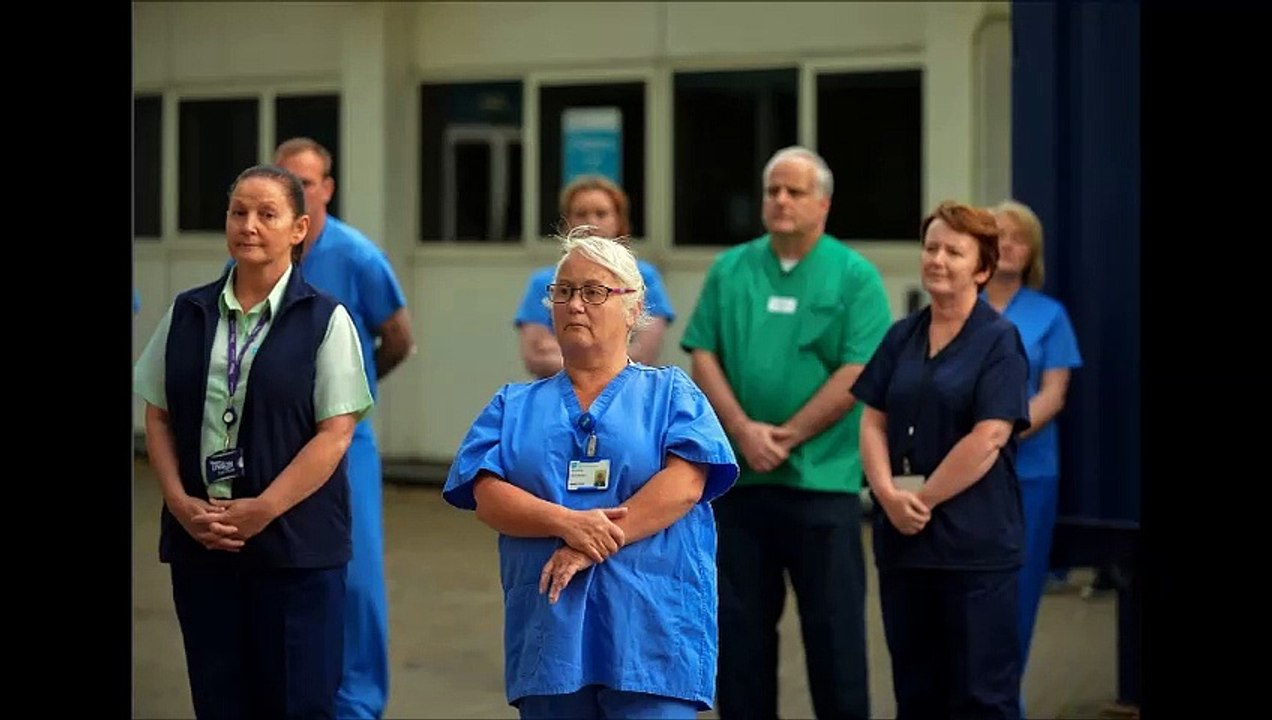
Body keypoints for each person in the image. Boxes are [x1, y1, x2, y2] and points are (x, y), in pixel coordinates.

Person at [443, 227, 739, 719]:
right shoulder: (514, 405)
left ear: (632, 307)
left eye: (594, 292)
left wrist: (591, 542)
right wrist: (566, 523)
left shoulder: (671, 395)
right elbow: (486, 496)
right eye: (563, 292)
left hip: (650, 638)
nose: (575, 304)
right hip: (551, 639)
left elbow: (687, 484)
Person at [133, 164, 374, 719]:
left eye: (268, 214)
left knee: (296, 703)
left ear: (299, 228)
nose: (249, 225)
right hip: (204, 541)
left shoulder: (325, 319)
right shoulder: (188, 313)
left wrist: (263, 509)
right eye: (239, 211)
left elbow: (335, 433)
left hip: (294, 550)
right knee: (219, 702)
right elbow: (160, 416)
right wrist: (178, 501)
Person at [680, 146, 892, 720]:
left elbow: (860, 370)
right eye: (773, 189)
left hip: (823, 485)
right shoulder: (732, 269)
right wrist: (744, 431)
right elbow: (703, 350)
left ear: (823, 203)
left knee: (836, 636)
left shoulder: (854, 277)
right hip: (741, 485)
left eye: (795, 191)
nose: (780, 200)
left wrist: (789, 436)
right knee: (741, 635)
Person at [850, 200, 1030, 720]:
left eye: (954, 251)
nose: (938, 259)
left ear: (982, 267)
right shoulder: (902, 334)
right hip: (905, 547)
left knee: (981, 697)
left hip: (975, 548)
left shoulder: (999, 340)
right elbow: (872, 419)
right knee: (916, 692)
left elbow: (990, 436)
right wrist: (886, 494)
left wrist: (919, 499)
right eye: (932, 247)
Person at [273, 137, 415, 719]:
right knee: (282, 570)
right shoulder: (257, 257)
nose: (296, 193)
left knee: (355, 579)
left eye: (306, 182)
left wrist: (353, 392)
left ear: (326, 189)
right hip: (277, 442)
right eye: (284, 182)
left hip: (345, 441)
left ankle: (358, 703)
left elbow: (400, 336)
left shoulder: (356, 256)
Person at [985, 200, 1084, 680]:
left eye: (1018, 237)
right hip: (967, 477)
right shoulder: (960, 308)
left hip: (1030, 475)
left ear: (1032, 253)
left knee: (1020, 593)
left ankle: (1007, 699)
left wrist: (998, 435)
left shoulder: (1051, 315)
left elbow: (1054, 393)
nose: (1007, 244)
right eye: (998, 234)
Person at [515, 175, 675, 378]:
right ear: (566, 222)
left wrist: (565, 354)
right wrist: (612, 354)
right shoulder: (543, 282)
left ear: (619, 221)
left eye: (601, 214)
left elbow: (644, 353)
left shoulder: (645, 277)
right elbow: (536, 358)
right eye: (581, 214)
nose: (591, 222)